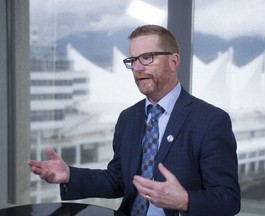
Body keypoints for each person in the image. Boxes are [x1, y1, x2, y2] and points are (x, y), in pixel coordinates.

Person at [27, 24, 241, 216]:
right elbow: (119, 180)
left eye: (147, 57)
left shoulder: (211, 121)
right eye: (132, 60)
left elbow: (228, 200)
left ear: (174, 61)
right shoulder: (129, 118)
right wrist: (69, 175)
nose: (137, 68)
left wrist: (184, 200)